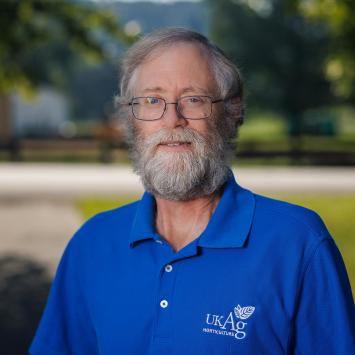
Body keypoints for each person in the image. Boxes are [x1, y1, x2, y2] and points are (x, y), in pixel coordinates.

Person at [30, 28, 354, 355]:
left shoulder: (299, 244)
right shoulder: (92, 243)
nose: (172, 119)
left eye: (194, 99)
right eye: (152, 100)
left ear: (232, 112)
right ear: (130, 119)